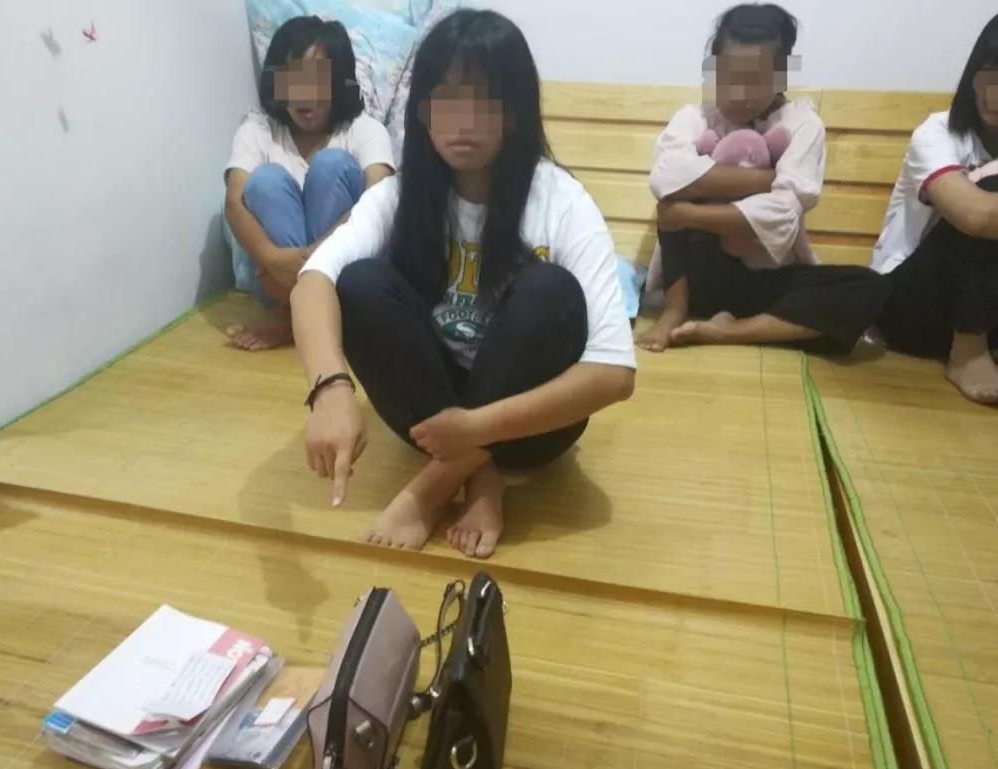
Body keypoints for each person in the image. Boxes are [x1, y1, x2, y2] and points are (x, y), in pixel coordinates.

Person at [289, 10, 636, 559]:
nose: (464, 121)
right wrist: (329, 389)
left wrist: (473, 430)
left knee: (549, 291)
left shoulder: (561, 201)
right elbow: (313, 282)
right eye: (447, 99)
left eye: (486, 100)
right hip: (428, 416)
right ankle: (480, 476)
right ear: (423, 111)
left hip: (531, 430)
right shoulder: (399, 197)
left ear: (516, 111)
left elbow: (614, 374)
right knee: (359, 284)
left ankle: (438, 485)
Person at [637, 3, 886, 354]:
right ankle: (674, 310)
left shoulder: (802, 124)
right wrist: (765, 180)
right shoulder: (695, 117)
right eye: (729, 78)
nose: (739, 94)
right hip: (696, 278)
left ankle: (728, 331)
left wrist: (689, 214)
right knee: (674, 195)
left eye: (755, 80)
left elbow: (783, 212)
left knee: (868, 287)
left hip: (768, 279)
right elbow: (666, 178)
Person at [223, 16, 395, 350]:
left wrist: (313, 261)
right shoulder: (257, 131)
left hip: (343, 275)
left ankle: (298, 314)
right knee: (264, 181)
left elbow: (380, 198)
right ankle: (296, 311)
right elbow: (233, 203)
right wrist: (274, 258)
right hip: (276, 277)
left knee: (330, 165)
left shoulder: (364, 130)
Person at [874, 14, 998, 404]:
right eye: (990, 72)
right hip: (910, 306)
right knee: (990, 189)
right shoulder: (938, 132)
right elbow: (976, 216)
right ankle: (969, 353)